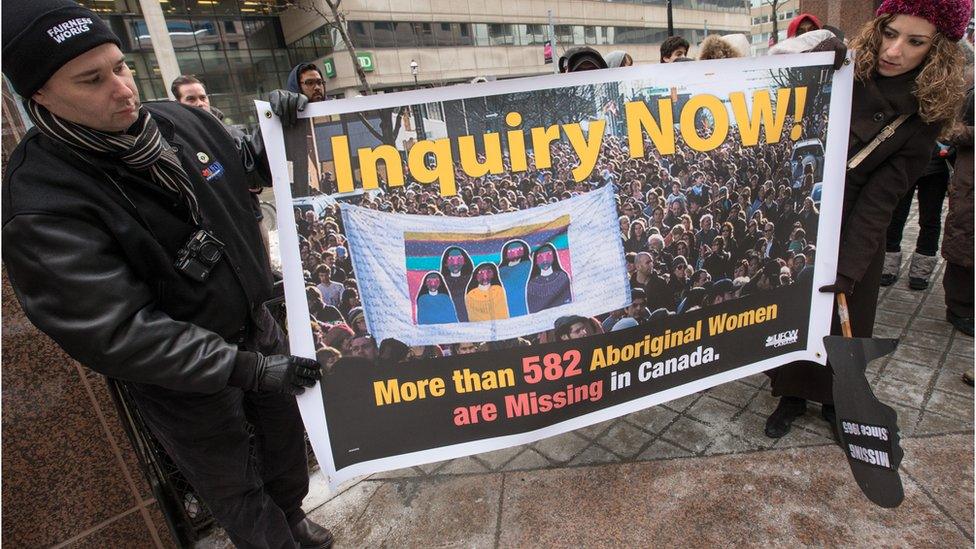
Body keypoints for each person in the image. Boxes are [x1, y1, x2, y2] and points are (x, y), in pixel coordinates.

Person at [0, 1, 335, 547]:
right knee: (229, 479)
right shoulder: (42, 198)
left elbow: (250, 163)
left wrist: (290, 128)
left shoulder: (179, 121)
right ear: (38, 93)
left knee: (283, 442)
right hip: (183, 372)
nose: (122, 89)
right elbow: (115, 331)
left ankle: (293, 515)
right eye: (92, 80)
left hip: (256, 327)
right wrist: (240, 368)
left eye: (120, 67)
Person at [764, 0, 969, 439]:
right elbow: (775, 94)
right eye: (891, 34)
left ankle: (838, 403)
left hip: (857, 228)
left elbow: (886, 196)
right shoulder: (843, 69)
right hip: (804, 218)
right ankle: (791, 394)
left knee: (844, 318)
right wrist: (815, 59)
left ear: (936, 52)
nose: (894, 51)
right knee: (796, 314)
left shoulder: (925, 112)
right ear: (878, 28)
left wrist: (848, 264)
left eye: (915, 42)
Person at [880, 144, 951, 289]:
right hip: (905, 163)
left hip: (936, 166)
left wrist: (949, 148)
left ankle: (922, 269)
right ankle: (888, 264)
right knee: (895, 216)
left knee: (930, 218)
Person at [941, 75, 974, 340]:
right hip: (970, 183)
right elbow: (952, 129)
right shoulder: (970, 89)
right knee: (964, 238)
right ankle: (959, 306)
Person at [284, 62, 326, 197]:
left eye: (320, 82)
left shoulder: (327, 116)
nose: (317, 87)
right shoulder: (286, 122)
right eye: (310, 83)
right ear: (297, 87)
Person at [526, 243, 572, 313]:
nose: (545, 260)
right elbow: (532, 309)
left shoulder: (562, 277)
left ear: (554, 258)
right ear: (535, 261)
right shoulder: (532, 284)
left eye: (548, 256)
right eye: (540, 257)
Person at [497, 239, 532, 317]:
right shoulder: (500, 270)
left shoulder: (528, 265)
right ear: (505, 254)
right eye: (511, 252)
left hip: (525, 299)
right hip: (507, 302)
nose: (515, 253)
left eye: (519, 250)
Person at [440, 246, 473, 322]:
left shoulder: (471, 280)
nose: (455, 263)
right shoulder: (443, 282)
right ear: (446, 263)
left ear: (464, 262)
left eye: (459, 259)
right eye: (451, 260)